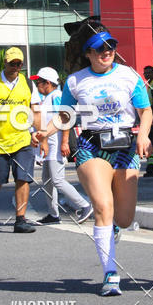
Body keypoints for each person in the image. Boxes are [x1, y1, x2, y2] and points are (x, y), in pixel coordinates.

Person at [36, 19, 152, 296]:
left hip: (125, 147)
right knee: (102, 205)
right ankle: (110, 274)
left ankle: (113, 228)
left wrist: (143, 135)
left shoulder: (129, 75)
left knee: (123, 218)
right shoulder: (76, 81)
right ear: (88, 53)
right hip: (91, 144)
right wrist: (44, 132)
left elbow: (145, 111)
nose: (106, 51)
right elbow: (66, 115)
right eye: (99, 48)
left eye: (110, 46)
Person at [0, 47, 41, 234]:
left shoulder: (28, 84)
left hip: (23, 139)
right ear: (5, 62)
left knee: (23, 179)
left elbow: (35, 111)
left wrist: (39, 134)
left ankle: (20, 220)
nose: (16, 67)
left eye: (19, 63)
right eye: (12, 63)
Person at [29, 67, 92, 225]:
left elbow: (65, 118)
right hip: (48, 147)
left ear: (48, 83)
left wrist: (64, 142)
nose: (37, 85)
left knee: (57, 180)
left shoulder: (56, 96)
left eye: (39, 82)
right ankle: (53, 214)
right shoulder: (48, 98)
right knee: (47, 180)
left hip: (56, 145)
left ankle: (84, 205)